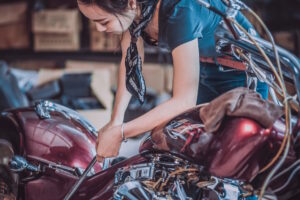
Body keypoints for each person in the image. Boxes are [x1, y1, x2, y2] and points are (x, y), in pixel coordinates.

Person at [77, 0, 268, 161]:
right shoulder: (134, 13)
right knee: (193, 152)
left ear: (131, 2)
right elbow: (129, 65)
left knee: (231, 160)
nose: (98, 29)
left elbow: (183, 101)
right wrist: (115, 121)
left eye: (103, 21)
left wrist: (121, 133)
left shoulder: (181, 10)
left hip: (241, 77)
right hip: (206, 70)